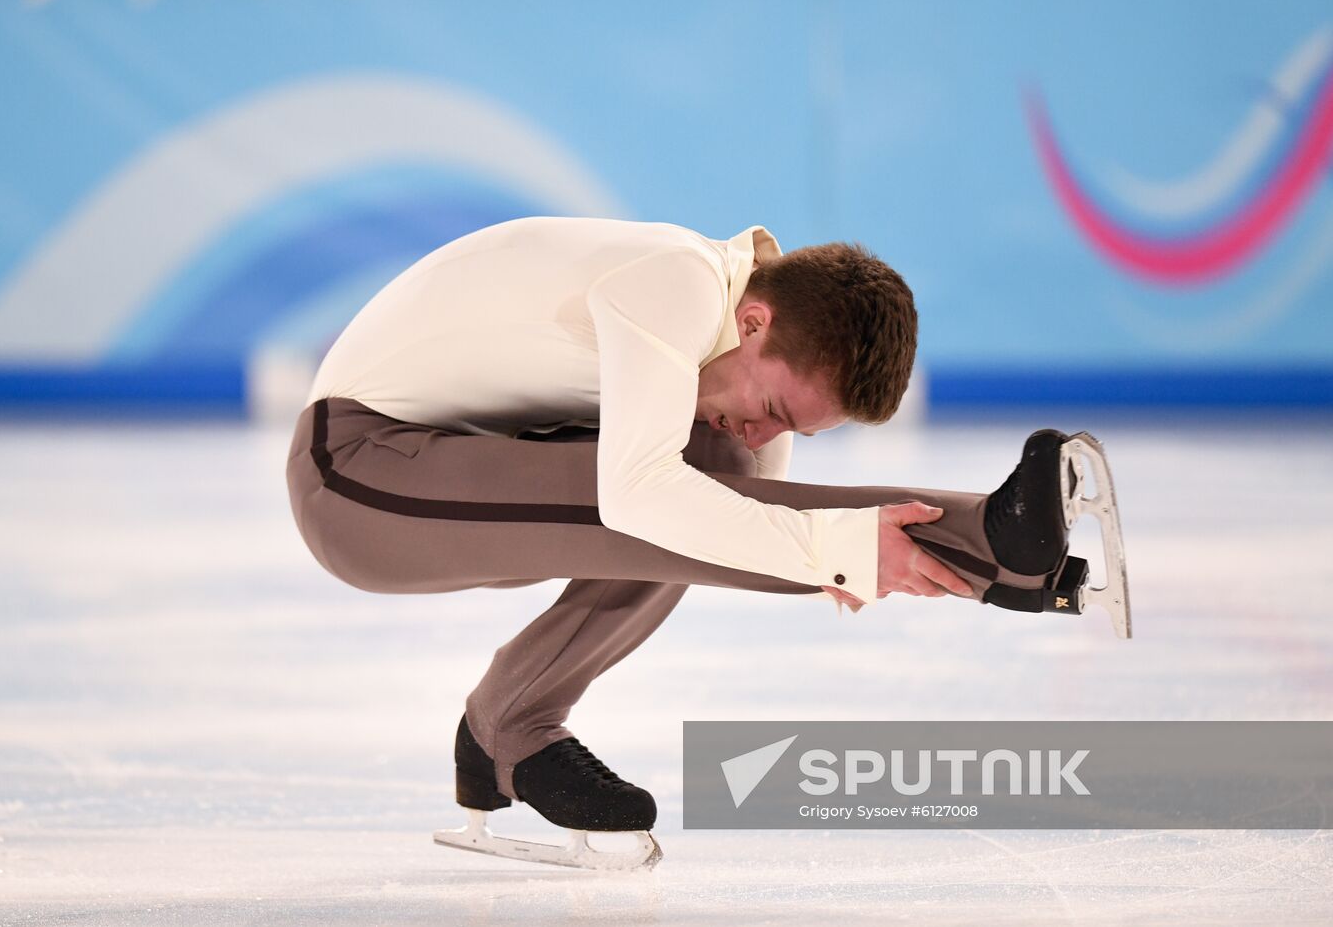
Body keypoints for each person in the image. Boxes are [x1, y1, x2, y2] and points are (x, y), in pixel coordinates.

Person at [284, 216, 1126, 870]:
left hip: (457, 465)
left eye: (792, 428)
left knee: (711, 466)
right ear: (754, 322)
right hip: (357, 478)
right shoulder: (677, 285)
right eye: (776, 406)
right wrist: (826, 546)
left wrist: (820, 547)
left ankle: (509, 726)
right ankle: (996, 539)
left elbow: (745, 499)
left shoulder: (729, 326)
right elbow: (645, 496)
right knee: (668, 488)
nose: (763, 429)